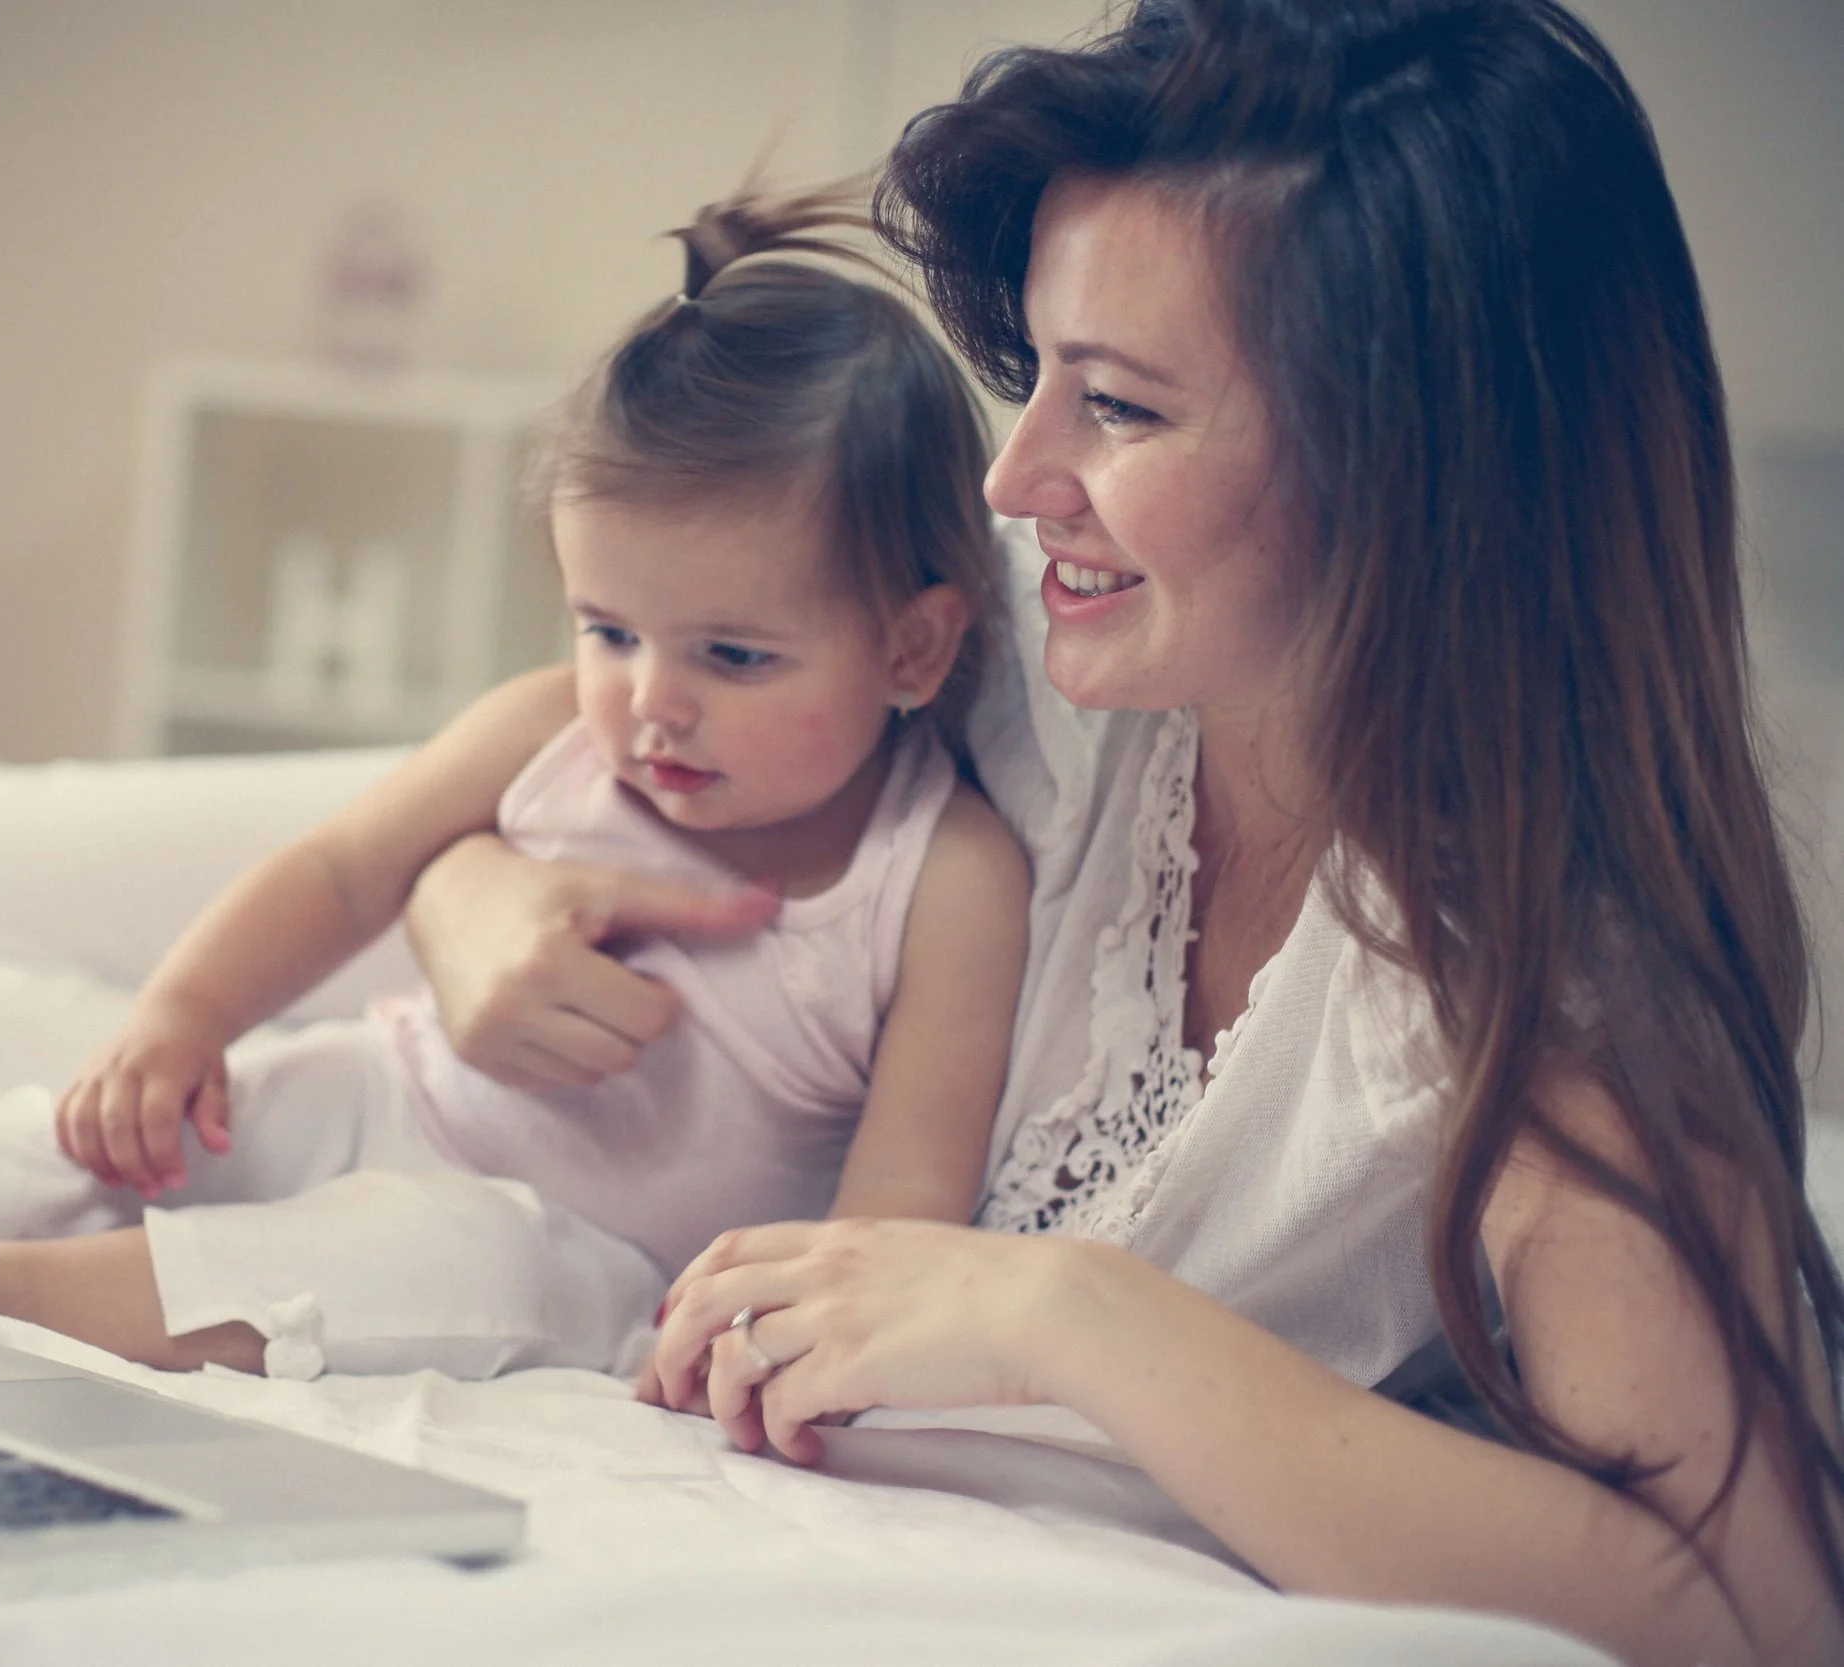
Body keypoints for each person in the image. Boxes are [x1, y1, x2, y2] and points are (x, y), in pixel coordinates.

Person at [397, 2, 1844, 1661]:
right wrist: (469, 895)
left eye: (1123, 408)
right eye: (1038, 374)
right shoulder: (1045, 658)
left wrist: (1073, 1313)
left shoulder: (1549, 994)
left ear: (1413, 470)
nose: (1016, 480)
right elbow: (577, 748)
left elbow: (1757, 1610)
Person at [0, 184, 1030, 1386]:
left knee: (447, 1262)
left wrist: (779, 1338)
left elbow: (898, 1202)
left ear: (913, 644)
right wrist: (181, 1018)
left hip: (592, 1252)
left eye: (733, 655)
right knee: (107, 1129)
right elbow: (343, 869)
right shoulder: (551, 727)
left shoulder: (944, 876)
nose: (647, 698)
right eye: (607, 628)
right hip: (391, 1090)